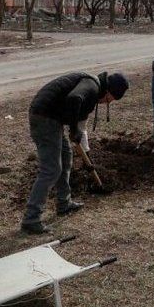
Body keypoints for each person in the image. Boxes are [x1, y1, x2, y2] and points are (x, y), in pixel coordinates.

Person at [22, 71, 130, 234]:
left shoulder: (92, 90)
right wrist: (73, 129)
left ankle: (64, 203)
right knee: (51, 170)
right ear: (108, 91)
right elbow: (74, 98)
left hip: (52, 119)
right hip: (44, 117)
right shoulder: (92, 86)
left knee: (66, 157)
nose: (104, 103)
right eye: (108, 100)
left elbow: (81, 124)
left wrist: (78, 135)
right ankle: (31, 219)